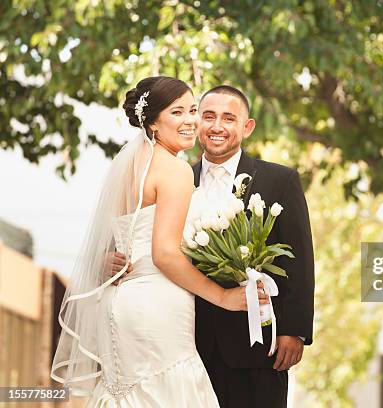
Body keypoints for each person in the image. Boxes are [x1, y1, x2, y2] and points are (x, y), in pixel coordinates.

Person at [51, 76, 267, 406]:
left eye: (193, 110)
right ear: (152, 122)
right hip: (158, 303)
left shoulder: (127, 168)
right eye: (177, 112)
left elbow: (120, 239)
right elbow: (165, 253)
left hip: (119, 301)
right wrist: (223, 296)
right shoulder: (175, 170)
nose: (190, 121)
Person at [193, 85, 315, 408]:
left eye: (228, 118)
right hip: (191, 343)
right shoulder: (179, 181)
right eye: (209, 116)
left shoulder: (280, 181)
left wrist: (296, 330)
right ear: (197, 123)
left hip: (260, 345)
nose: (217, 126)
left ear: (247, 127)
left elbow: (299, 259)